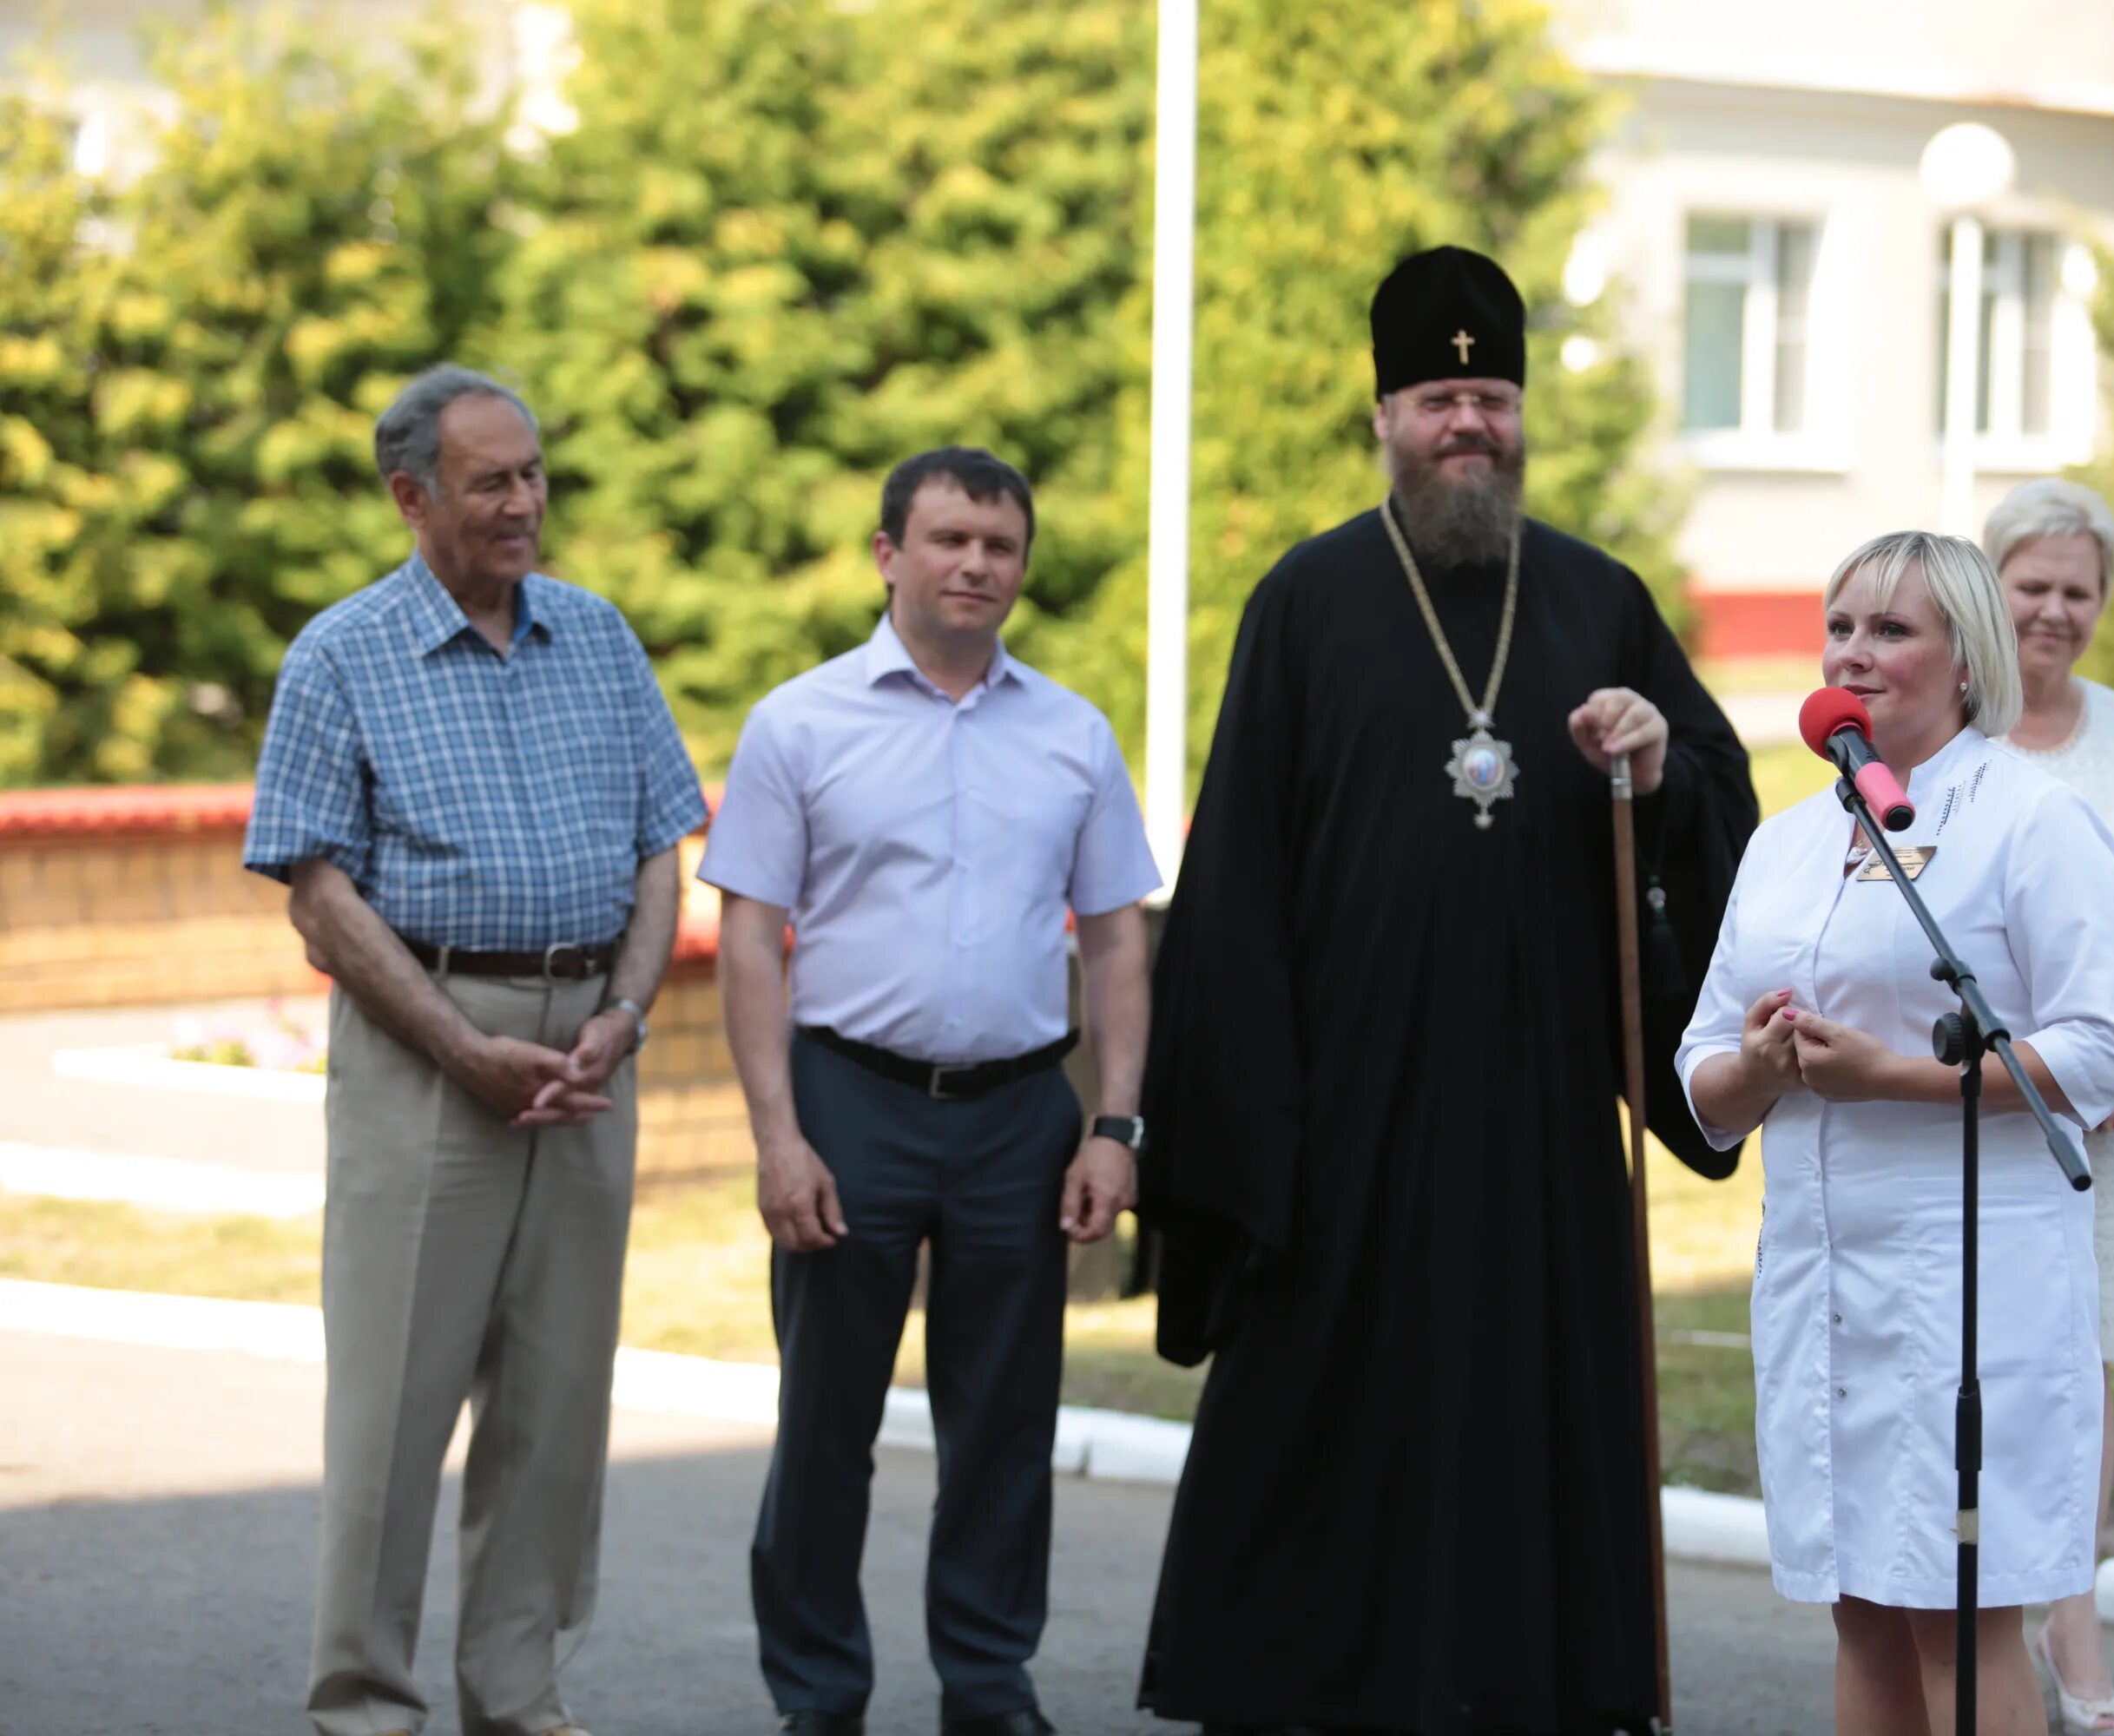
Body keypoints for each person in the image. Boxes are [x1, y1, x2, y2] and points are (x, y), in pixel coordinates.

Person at [1134, 245, 1761, 1736]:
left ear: (1524, 413)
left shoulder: (1601, 602)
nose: (1465, 423)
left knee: (1527, 1418)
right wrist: (1250, 1137)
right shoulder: (1305, 600)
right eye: (1435, 398)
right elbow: (1231, 884)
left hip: (1542, 1116)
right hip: (1344, 1117)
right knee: (1328, 1415)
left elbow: (1726, 804)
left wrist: (1658, 769)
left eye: (1489, 396)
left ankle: (1534, 1689)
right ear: (1384, 419)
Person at [244, 364, 710, 1736]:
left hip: (588, 1060)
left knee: (554, 1409)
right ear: (412, 496)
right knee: (394, 1410)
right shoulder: (341, 654)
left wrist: (622, 1020)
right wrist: (459, 1044)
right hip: (425, 1053)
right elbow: (319, 894)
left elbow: (658, 849)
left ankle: (516, 1696)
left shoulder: (599, 636)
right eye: (491, 481)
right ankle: (365, 1706)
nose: (525, 503)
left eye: (534, 474)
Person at [698, 447, 1162, 1736]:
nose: (976, 565)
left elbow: (1119, 936)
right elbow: (750, 935)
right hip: (850, 1103)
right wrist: (777, 1137)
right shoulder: (801, 723)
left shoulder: (1071, 733)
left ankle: (985, 1684)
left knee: (1004, 1429)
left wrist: (1115, 1127)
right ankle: (818, 1694)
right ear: (888, 553)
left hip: (1023, 1112)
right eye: (950, 539)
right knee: (825, 1423)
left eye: (999, 547)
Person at [1677, 530, 2114, 1736]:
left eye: (1892, 630)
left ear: (1968, 660)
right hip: (1823, 1276)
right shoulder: (1786, 842)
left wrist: (1895, 1075)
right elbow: (1700, 1077)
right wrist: (1759, 1065)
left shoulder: (2029, 821)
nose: (1855, 652)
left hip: (1966, 1283)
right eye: (1842, 627)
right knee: (1863, 1607)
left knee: (1956, 1607)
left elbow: (2104, 1048)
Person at [1985, 477, 2114, 1734]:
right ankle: (1991, 1607)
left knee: (2089, 1358)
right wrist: (2026, 1061)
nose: (2056, 611)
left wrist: (2113, 1042)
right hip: (1980, 1093)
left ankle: (2072, 1613)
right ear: (1990, 587)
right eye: (2033, 586)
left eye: (2079, 591)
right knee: (2001, 1352)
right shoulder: (1955, 730)